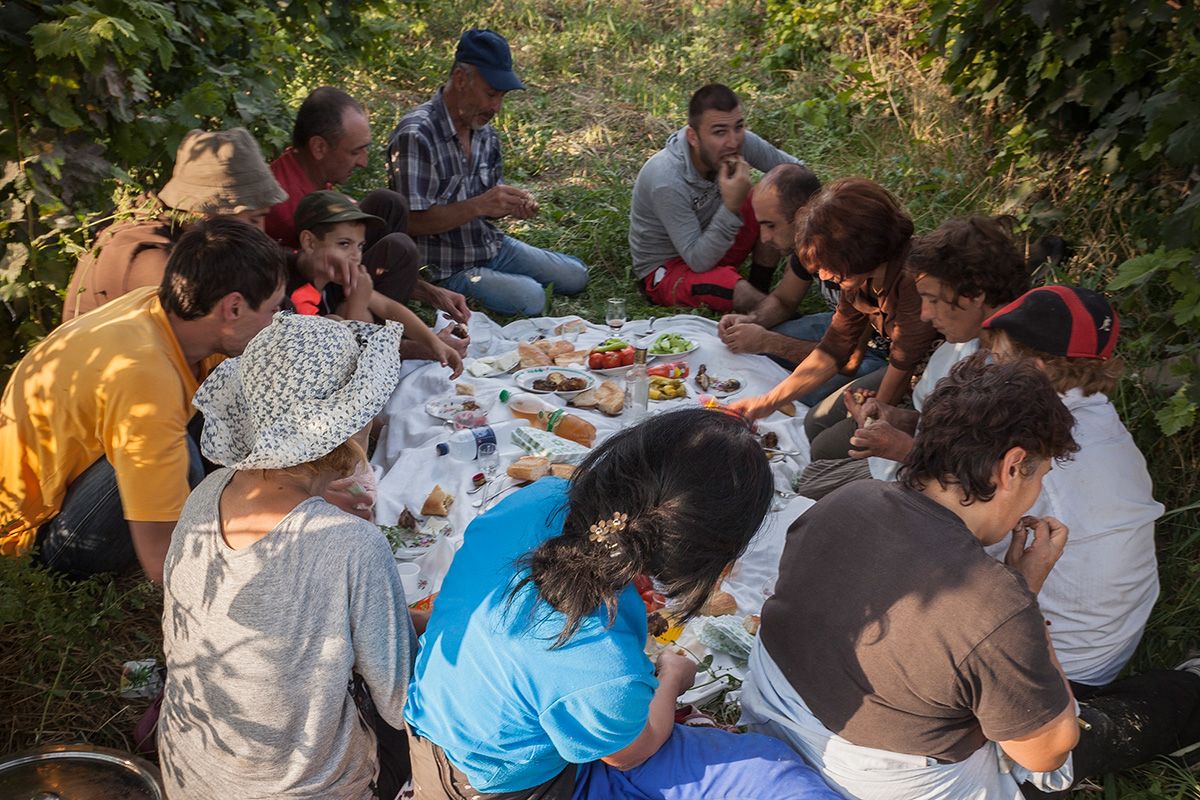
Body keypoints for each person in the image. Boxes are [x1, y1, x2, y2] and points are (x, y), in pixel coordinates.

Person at [741, 355, 1200, 799]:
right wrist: (1024, 599)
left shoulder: (847, 500)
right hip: (874, 783)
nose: (1036, 491)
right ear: (1012, 466)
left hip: (775, 731)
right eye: (1039, 473)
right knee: (1107, 724)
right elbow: (1047, 751)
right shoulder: (995, 605)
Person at [404, 409, 840, 800]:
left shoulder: (538, 497)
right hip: (495, 784)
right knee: (763, 768)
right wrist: (671, 678)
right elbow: (631, 752)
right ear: (699, 558)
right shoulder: (606, 674)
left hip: (432, 722)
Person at [159, 313, 416, 800]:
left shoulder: (207, 492)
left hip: (192, 775)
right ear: (345, 425)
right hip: (305, 789)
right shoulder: (351, 545)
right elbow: (403, 700)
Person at [1, 218, 287, 582]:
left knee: (227, 399)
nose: (276, 322)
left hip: (77, 481)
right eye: (273, 310)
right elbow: (161, 562)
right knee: (180, 447)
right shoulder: (146, 379)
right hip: (43, 537)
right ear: (232, 308)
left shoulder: (160, 309)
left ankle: (206, 511)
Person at [979, 286, 1163, 688]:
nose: (989, 366)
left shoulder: (1034, 448)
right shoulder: (1103, 423)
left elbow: (970, 545)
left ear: (1036, 372)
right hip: (1108, 647)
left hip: (1061, 667)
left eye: (998, 357)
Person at [797, 215, 1030, 497]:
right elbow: (932, 422)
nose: (925, 314)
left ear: (975, 293)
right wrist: (894, 417)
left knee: (812, 496)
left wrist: (902, 449)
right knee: (810, 479)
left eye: (932, 300)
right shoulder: (959, 349)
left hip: (938, 489)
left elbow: (982, 476)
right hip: (913, 462)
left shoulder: (1014, 378)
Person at [731, 177, 938, 460]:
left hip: (932, 379)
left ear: (862, 249)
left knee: (827, 448)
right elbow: (832, 351)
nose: (825, 276)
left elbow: (903, 368)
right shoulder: (858, 278)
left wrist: (871, 418)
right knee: (814, 422)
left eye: (830, 266)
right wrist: (768, 402)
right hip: (903, 369)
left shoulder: (913, 280)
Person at [387, 29, 589, 317]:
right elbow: (411, 222)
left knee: (577, 275)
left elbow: (488, 208)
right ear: (460, 80)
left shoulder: (485, 132)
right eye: (491, 94)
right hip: (444, 266)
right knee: (532, 298)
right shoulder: (417, 134)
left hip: (488, 245)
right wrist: (480, 205)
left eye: (502, 96)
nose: (496, 107)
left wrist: (508, 206)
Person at [264, 86, 471, 351]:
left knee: (389, 203)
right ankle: (389, 344)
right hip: (316, 309)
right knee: (401, 249)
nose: (363, 161)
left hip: (331, 280)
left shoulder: (305, 174)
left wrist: (430, 292)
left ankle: (383, 318)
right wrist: (424, 348)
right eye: (355, 151)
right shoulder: (282, 203)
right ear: (318, 147)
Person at [62, 127, 287, 322]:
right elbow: (235, 317)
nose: (262, 233)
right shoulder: (151, 257)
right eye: (253, 220)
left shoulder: (178, 229)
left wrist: (302, 264)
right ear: (207, 215)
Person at [718, 164, 887, 404]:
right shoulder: (806, 241)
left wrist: (768, 342)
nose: (764, 238)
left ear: (801, 216)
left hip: (877, 352)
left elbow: (846, 358)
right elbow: (785, 300)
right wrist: (753, 321)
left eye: (771, 225)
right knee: (758, 350)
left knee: (807, 393)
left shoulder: (852, 254)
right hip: (842, 329)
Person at [629, 83, 802, 311]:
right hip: (671, 268)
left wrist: (803, 238)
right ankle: (782, 316)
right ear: (693, 136)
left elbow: (799, 173)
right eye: (719, 132)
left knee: (773, 197)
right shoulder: (666, 178)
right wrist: (731, 205)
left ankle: (761, 287)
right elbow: (698, 261)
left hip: (715, 243)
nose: (733, 142)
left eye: (738, 127)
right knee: (735, 290)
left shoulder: (738, 142)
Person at [288, 190, 464, 376]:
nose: (356, 256)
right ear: (309, 242)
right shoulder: (298, 297)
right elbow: (354, 359)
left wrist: (435, 345)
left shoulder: (328, 270)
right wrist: (357, 302)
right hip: (325, 374)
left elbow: (388, 307)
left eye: (360, 245)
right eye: (344, 244)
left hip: (338, 328)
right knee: (341, 321)